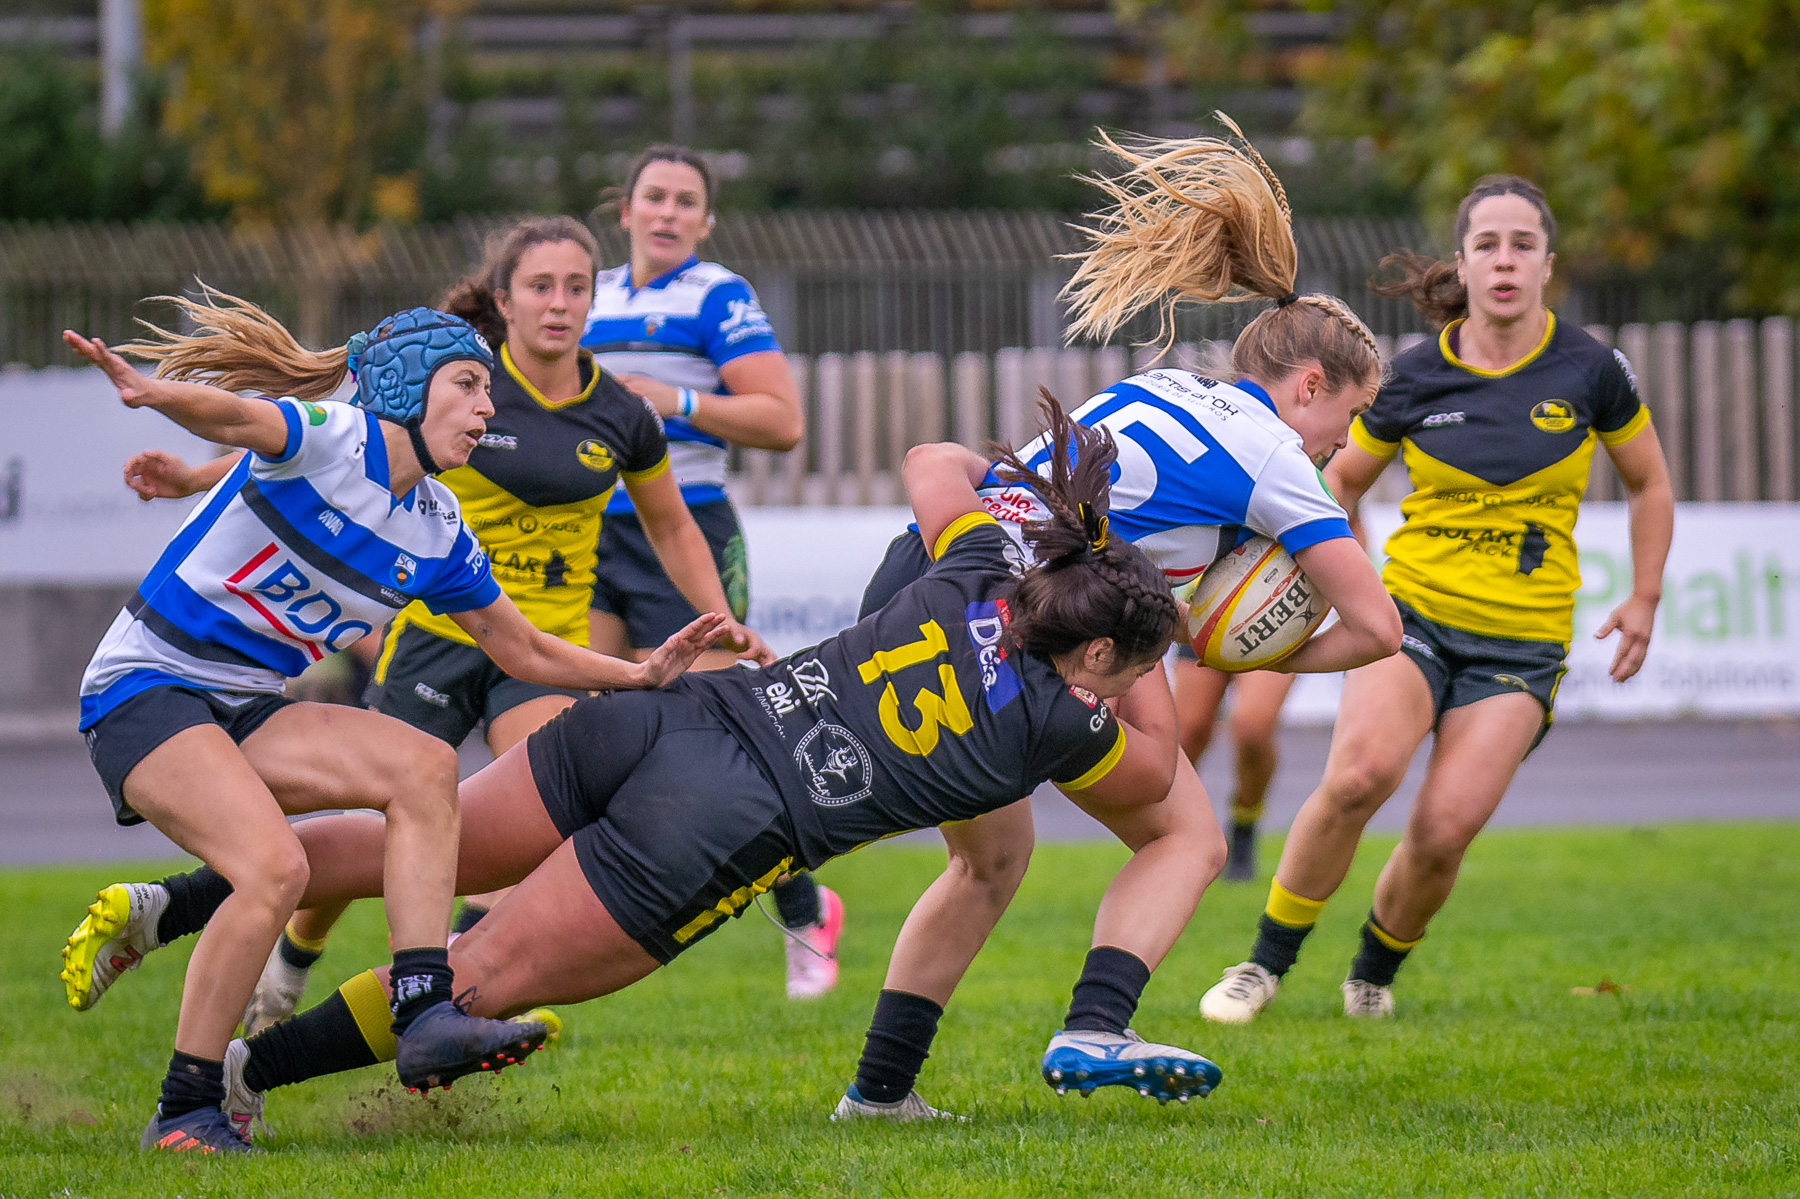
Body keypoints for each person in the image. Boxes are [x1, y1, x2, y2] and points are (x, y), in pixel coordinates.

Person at [105, 399, 1220, 1136]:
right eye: (1123, 667)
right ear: (1093, 656)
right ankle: (237, 1082)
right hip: (718, 821)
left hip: (659, 718)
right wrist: (1146, 625)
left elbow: (934, 460)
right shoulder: (1057, 728)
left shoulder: (976, 565)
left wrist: (1056, 522)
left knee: (431, 841)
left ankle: (174, 903)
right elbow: (1161, 769)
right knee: (472, 974)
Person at [57, 296, 726, 1153]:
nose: (489, 407)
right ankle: (183, 1108)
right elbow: (239, 412)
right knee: (275, 868)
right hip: (143, 688)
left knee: (420, 766)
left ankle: (423, 1009)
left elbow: (520, 647)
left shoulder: (439, 526)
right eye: (470, 384)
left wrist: (635, 671)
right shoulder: (335, 438)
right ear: (410, 386)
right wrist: (154, 393)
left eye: (490, 391)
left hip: (243, 702)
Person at [834, 118, 1406, 1117]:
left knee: (991, 858)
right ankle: (1096, 1025)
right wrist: (1247, 647)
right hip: (1028, 639)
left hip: (921, 587)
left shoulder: (1161, 383)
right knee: (1184, 832)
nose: (1340, 448)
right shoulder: (1275, 455)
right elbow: (1379, 627)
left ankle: (879, 1096)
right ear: (1308, 386)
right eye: (1345, 422)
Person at [121, 218, 775, 1036]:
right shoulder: (456, 384)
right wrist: (192, 473)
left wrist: (714, 621)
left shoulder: (621, 412)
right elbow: (323, 445)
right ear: (503, 300)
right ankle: (294, 956)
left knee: (538, 817)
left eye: (579, 287)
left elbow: (674, 525)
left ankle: (451, 986)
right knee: (372, 829)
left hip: (536, 645)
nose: (561, 304)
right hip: (436, 634)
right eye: (541, 286)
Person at [1200, 175, 1675, 1024]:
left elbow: (1648, 482)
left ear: (1546, 264)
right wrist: (1333, 575)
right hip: (1411, 619)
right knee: (1358, 775)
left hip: (1521, 647)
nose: (1504, 260)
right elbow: (1335, 478)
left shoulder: (1592, 370)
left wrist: (1644, 595)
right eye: (1487, 244)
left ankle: (1372, 974)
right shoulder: (1415, 377)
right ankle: (1261, 966)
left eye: (1522, 245)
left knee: (1444, 829)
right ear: (1462, 262)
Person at [581, 145, 839, 1000]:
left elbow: (782, 421)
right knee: (583, 723)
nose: (666, 212)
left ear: (704, 221)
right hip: (585, 537)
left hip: (684, 527)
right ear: (623, 209)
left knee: (739, 738)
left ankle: (806, 913)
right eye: (652, 196)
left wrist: (677, 400)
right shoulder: (586, 296)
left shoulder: (718, 294)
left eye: (684, 201)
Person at [1172, 661, 1295, 880]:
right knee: (1187, 736)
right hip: (1203, 629)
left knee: (1252, 730)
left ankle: (1244, 823)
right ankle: (1172, 831)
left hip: (1266, 630)